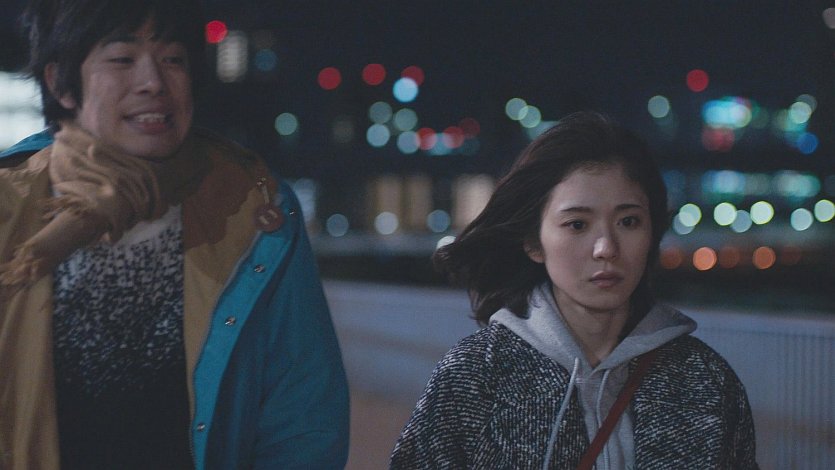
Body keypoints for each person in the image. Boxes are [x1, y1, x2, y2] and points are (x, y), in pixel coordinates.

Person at [0, 1, 349, 469]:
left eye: (173, 59)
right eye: (122, 59)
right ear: (60, 82)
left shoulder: (249, 207)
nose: (153, 83)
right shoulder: (10, 209)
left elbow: (302, 417)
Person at [390, 111, 758, 469]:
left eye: (629, 221)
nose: (606, 248)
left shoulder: (704, 380)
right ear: (533, 242)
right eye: (577, 224)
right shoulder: (476, 376)